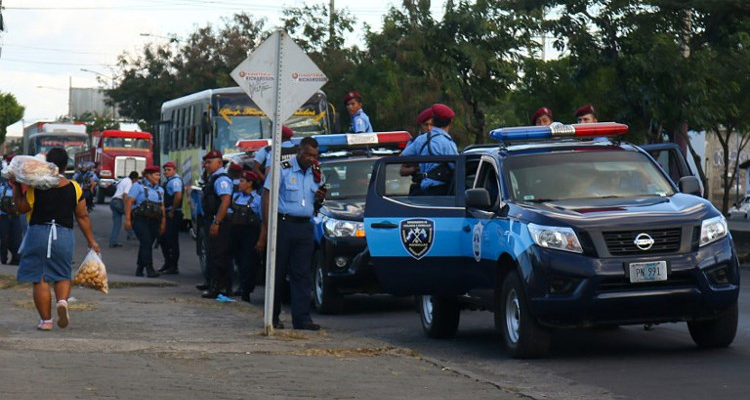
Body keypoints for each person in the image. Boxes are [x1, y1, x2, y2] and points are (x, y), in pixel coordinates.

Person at [12, 147, 100, 331]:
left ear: (47, 163)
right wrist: (92, 241)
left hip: (38, 232)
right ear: (66, 165)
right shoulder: (74, 187)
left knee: (40, 277)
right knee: (62, 273)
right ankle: (62, 301)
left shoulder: (37, 185)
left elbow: (22, 208)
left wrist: (18, 189)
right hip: (64, 234)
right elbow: (83, 216)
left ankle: (46, 321)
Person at [256, 136, 326, 330]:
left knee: (302, 274)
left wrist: (321, 198)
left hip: (305, 226)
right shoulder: (282, 168)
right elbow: (267, 196)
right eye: (308, 154)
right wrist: (269, 227)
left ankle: (302, 319)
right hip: (284, 224)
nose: (311, 159)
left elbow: (318, 201)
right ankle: (273, 317)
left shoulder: (317, 172)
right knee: (277, 273)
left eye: (315, 155)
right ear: (299, 152)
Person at [399, 104, 459, 195]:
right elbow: (457, 168)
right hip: (442, 193)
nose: (428, 127)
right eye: (425, 124)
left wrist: (417, 164)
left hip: (422, 192)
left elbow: (401, 158)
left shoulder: (420, 140)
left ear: (434, 121)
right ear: (450, 123)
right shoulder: (447, 143)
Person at [200, 150, 234, 299]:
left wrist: (217, 222)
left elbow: (225, 200)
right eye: (205, 162)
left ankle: (219, 288)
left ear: (219, 163)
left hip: (220, 221)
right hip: (214, 219)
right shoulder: (212, 178)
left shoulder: (221, 179)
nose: (206, 165)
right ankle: (216, 285)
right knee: (214, 253)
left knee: (219, 254)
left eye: (210, 162)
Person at [124, 166, 166, 278]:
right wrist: (127, 219)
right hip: (140, 219)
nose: (158, 177)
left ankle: (140, 268)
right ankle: (149, 268)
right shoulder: (138, 187)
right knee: (146, 242)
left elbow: (162, 207)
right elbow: (129, 202)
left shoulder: (160, 190)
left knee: (146, 244)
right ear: (148, 175)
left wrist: (163, 222)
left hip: (154, 221)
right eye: (156, 175)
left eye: (158, 175)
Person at [228, 170, 262, 302]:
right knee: (238, 261)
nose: (239, 184)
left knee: (248, 262)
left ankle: (246, 290)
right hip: (236, 233)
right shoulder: (236, 197)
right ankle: (241, 285)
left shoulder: (257, 199)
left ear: (250, 183)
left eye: (242, 181)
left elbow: (262, 218)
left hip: (250, 234)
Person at [158, 161, 183, 274]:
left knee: (171, 240)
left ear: (174, 170)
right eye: (165, 170)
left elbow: (178, 196)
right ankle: (167, 263)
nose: (166, 172)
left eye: (169, 170)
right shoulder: (169, 181)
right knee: (164, 240)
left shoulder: (175, 181)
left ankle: (173, 265)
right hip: (167, 213)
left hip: (172, 214)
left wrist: (172, 210)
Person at [109, 171, 139, 248]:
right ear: (135, 179)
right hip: (119, 202)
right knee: (130, 216)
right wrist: (126, 208)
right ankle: (132, 235)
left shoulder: (124, 180)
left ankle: (113, 241)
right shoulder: (129, 182)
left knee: (117, 224)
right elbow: (125, 195)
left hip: (113, 201)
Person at [0, 174, 21, 265]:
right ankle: (3, 258)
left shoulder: (19, 189)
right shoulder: (2, 188)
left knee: (16, 238)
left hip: (15, 216)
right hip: (3, 216)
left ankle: (16, 258)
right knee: (3, 239)